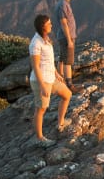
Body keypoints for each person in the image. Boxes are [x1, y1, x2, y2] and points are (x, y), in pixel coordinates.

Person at [29, 14, 72, 147]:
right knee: (41, 109)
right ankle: (39, 138)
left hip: (51, 78)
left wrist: (56, 73)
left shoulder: (46, 39)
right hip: (41, 81)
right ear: (43, 26)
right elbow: (35, 66)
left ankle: (60, 123)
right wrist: (42, 86)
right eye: (49, 23)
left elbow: (48, 60)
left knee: (67, 95)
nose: (51, 25)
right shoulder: (35, 43)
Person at [54, 0, 82, 94]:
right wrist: (69, 40)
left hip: (64, 37)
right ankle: (69, 86)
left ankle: (59, 81)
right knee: (68, 61)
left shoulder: (64, 4)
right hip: (66, 37)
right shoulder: (63, 5)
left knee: (62, 58)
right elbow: (64, 23)